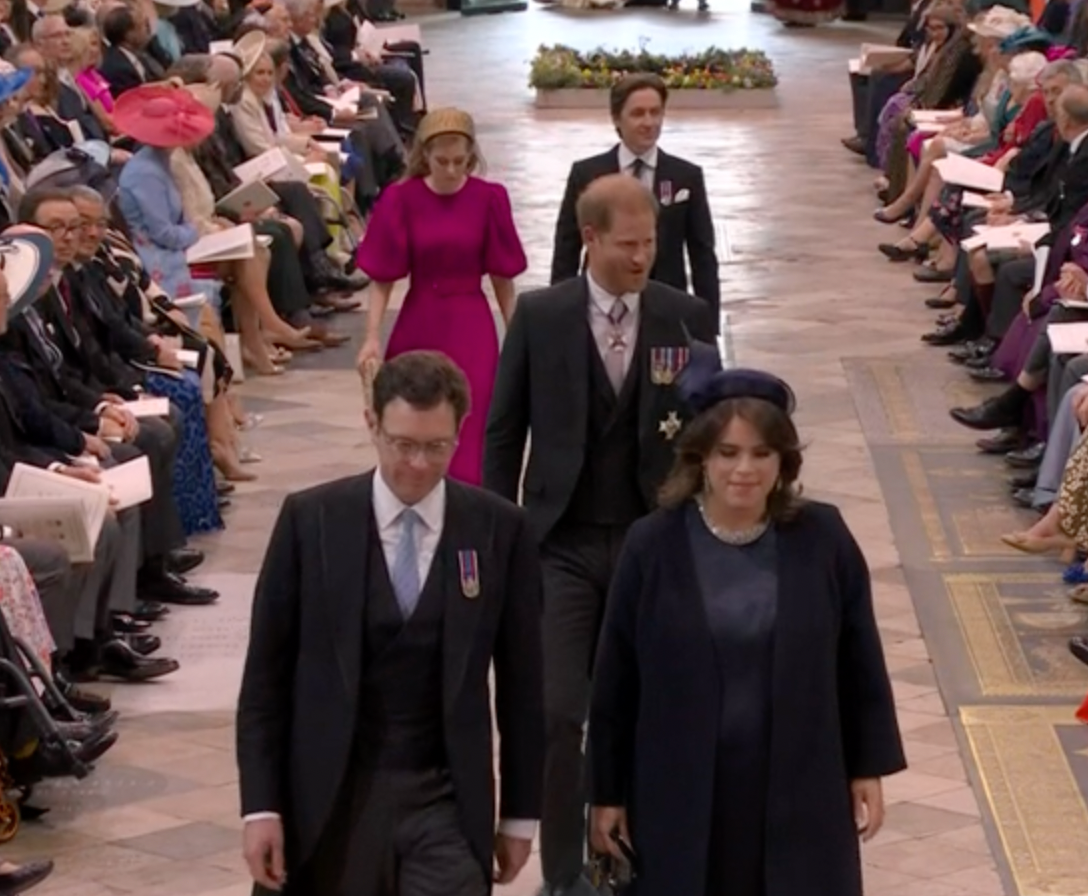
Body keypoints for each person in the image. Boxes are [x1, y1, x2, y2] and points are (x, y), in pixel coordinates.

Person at [588, 343, 906, 896]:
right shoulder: (652, 545)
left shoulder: (823, 538)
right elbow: (617, 679)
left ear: (783, 462)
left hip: (799, 782)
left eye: (761, 454)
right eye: (728, 452)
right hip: (680, 786)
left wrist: (866, 767)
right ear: (700, 459)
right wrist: (606, 792)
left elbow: (859, 662)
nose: (744, 469)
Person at [237, 351, 544, 896]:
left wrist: (520, 815)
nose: (419, 464)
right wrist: (261, 806)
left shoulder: (499, 530)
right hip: (333, 798)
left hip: (444, 797)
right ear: (372, 424)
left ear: (460, 433)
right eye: (403, 444)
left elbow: (524, 686)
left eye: (436, 446)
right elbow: (265, 682)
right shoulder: (312, 523)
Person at [484, 173, 714, 896]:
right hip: (562, 543)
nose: (643, 258)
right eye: (628, 245)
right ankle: (562, 876)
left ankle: (637, 861)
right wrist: (502, 534)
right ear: (590, 239)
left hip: (652, 542)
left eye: (651, 243)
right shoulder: (542, 316)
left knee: (653, 704)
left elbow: (711, 430)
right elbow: (502, 432)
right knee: (558, 713)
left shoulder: (684, 316)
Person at [355, 108, 526, 487]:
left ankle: (469, 499)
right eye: (442, 161)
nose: (451, 170)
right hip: (421, 318)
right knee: (413, 408)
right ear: (425, 157)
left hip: (471, 321)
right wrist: (371, 336)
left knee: (474, 414)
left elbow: (501, 275)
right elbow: (382, 277)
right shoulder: (402, 199)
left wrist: (515, 328)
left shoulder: (489, 198)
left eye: (460, 162)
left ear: (471, 156)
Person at [551, 74, 720, 336]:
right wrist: (560, 316)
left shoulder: (686, 176)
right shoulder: (587, 174)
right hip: (599, 311)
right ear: (617, 118)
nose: (649, 122)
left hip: (667, 312)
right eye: (638, 113)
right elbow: (566, 250)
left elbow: (703, 256)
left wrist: (708, 326)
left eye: (656, 113)